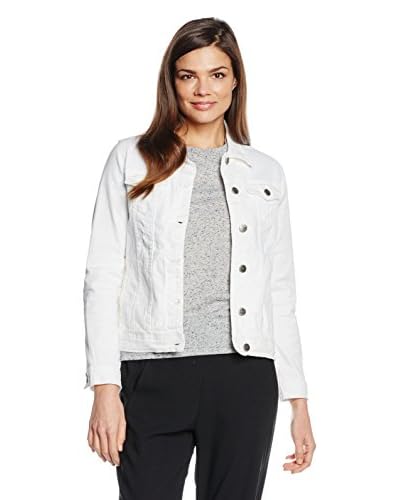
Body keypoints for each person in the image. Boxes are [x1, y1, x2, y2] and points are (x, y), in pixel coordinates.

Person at [83, 16, 316, 500]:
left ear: (235, 81)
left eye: (217, 74)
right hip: (151, 372)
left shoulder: (264, 172)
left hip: (243, 376)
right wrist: (105, 386)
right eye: (188, 75)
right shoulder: (132, 159)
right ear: (172, 82)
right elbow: (103, 277)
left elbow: (280, 292)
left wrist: (298, 401)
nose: (202, 89)